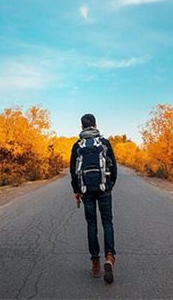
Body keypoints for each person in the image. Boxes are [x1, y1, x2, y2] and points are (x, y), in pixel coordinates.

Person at [70, 113, 117, 284]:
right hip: (104, 188)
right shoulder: (104, 143)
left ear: (81, 126)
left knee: (91, 224)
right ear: (95, 125)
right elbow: (114, 166)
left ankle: (95, 263)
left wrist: (77, 190)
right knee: (107, 223)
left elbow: (73, 171)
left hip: (86, 190)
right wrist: (110, 185)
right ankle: (109, 257)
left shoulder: (77, 145)